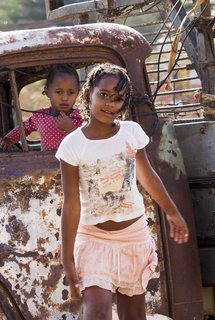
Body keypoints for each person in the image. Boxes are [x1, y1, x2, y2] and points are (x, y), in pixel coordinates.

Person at [55, 63, 189, 320]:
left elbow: (147, 176)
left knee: (134, 316)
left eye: (117, 99)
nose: (109, 104)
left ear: (124, 103)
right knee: (97, 312)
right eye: (103, 95)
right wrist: (67, 257)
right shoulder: (72, 145)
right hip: (94, 238)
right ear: (88, 94)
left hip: (133, 237)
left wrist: (172, 213)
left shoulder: (131, 133)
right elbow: (72, 204)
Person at [0, 64, 83, 151]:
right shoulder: (40, 116)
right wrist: (9, 139)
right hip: (45, 163)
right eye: (58, 92)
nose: (65, 98)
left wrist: (71, 129)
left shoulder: (81, 117)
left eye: (71, 92)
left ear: (77, 93)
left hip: (75, 163)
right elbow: (24, 128)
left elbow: (90, 140)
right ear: (47, 92)